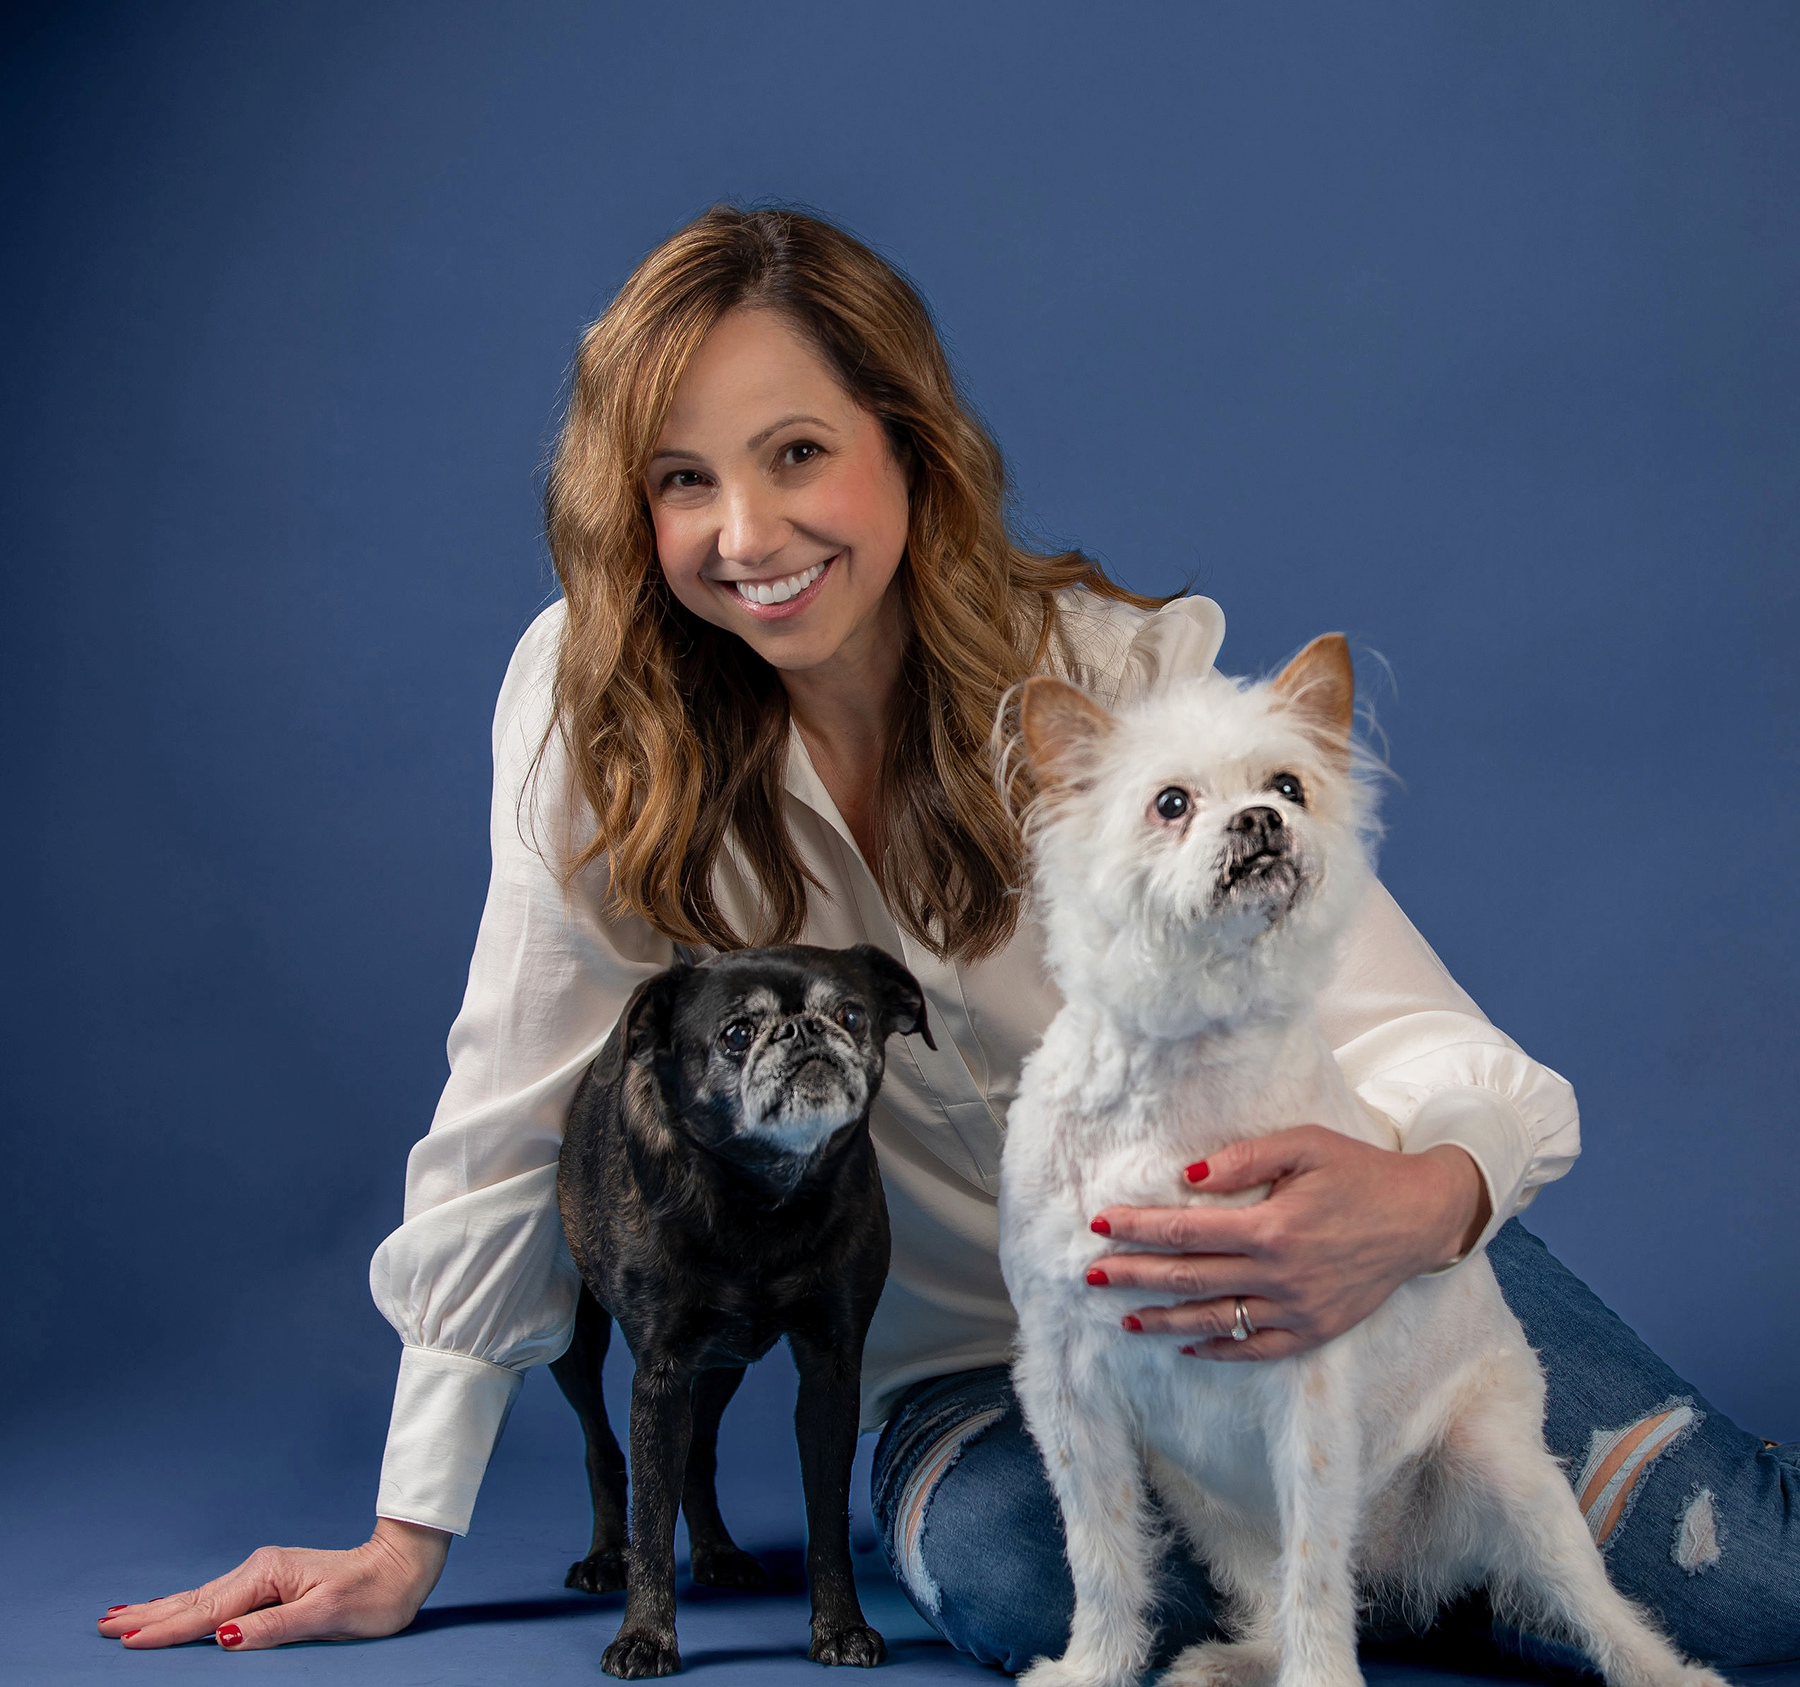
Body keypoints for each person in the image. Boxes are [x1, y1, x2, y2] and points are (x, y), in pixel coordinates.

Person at [98, 207, 1799, 1667]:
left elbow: (1409, 1025)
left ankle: (1388, 1557)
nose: (748, 539)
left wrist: (1426, 1203)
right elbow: (511, 1105)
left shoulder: (1116, 678)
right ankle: (1387, 1583)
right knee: (1022, 1588)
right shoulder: (590, 704)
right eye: (682, 482)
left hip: (1335, 1273)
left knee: (1756, 1587)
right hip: (990, 1366)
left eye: (796, 453)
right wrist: (410, 1533)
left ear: (907, 440)